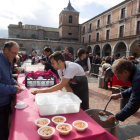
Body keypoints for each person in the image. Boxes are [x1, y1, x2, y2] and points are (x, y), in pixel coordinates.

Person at [0, 41, 24, 140]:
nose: (15, 56)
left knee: (5, 125)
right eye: (13, 53)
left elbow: (8, 77)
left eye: (16, 54)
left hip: (5, 100)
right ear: (6, 50)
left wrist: (14, 81)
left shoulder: (7, 60)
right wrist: (13, 89)